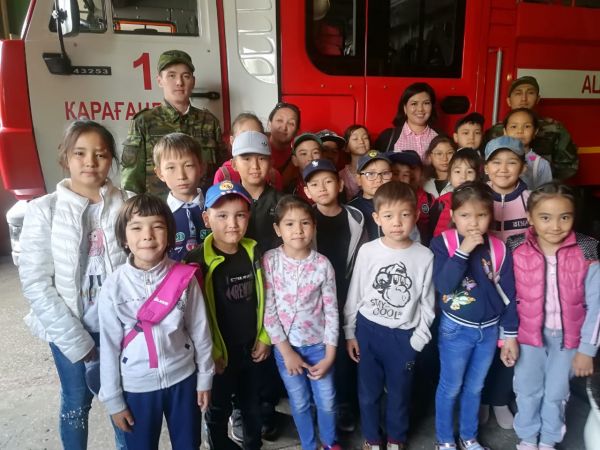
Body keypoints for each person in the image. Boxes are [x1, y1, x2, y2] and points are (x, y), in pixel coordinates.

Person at [18, 120, 129, 450]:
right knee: (76, 402)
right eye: (80, 153)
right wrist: (75, 340)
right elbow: (36, 281)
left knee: (123, 402)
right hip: (68, 326)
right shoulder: (44, 210)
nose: (90, 162)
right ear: (65, 156)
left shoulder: (128, 203)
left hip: (119, 328)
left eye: (101, 154)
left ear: (111, 160)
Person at [98, 194, 214, 450]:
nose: (147, 235)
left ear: (170, 235)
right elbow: (108, 346)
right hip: (136, 386)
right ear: (123, 237)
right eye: (136, 228)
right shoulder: (113, 286)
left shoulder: (184, 279)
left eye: (157, 226)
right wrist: (114, 400)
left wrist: (205, 377)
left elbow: (200, 331)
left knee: (189, 445)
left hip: (183, 379)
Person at [344, 181, 436, 450]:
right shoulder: (368, 251)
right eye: (389, 215)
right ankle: (372, 439)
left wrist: (418, 339)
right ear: (377, 218)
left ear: (416, 215)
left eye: (405, 214)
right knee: (368, 392)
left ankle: (396, 438)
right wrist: (350, 332)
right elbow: (355, 292)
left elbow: (428, 303)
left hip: (404, 337)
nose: (397, 222)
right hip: (368, 331)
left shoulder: (424, 256)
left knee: (400, 393)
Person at [508, 182, 599, 450]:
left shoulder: (587, 249)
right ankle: (527, 439)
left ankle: (548, 440)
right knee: (526, 390)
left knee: (556, 393)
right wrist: (507, 337)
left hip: (569, 340)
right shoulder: (516, 248)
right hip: (527, 337)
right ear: (530, 217)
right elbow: (508, 298)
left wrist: (587, 350)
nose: (556, 226)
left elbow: (597, 305)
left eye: (565, 217)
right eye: (545, 218)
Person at [430, 181, 519, 450]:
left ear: (490, 215)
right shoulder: (443, 244)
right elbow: (444, 285)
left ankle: (469, 437)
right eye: (465, 215)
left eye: (481, 215)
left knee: (475, 388)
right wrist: (463, 250)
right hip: (456, 329)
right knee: (450, 387)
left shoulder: (499, 248)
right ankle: (445, 440)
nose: (473, 222)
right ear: (453, 215)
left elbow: (509, 294)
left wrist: (510, 335)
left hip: (489, 331)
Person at [184, 181, 271, 450]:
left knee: (252, 406)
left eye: (239, 215)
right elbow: (191, 318)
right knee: (217, 409)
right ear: (206, 219)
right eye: (222, 216)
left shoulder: (255, 252)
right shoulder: (196, 261)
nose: (232, 223)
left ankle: (253, 445)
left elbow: (270, 297)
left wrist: (265, 337)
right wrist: (209, 354)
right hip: (217, 355)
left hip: (252, 348)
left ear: (248, 216)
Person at [263, 195, 342, 450]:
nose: (298, 230)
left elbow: (332, 312)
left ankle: (329, 442)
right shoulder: (270, 261)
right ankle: (309, 445)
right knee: (299, 402)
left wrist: (330, 355)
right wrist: (286, 352)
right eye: (289, 224)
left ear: (314, 227)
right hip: (286, 349)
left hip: (319, 347)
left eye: (305, 223)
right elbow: (268, 311)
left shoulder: (322, 265)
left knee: (327, 401)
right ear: (277, 229)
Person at [303, 159, 367, 432]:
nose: (322, 187)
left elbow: (363, 260)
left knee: (345, 352)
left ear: (340, 184)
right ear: (307, 191)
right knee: (318, 350)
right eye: (315, 183)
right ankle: (319, 404)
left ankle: (345, 406)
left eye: (328, 181)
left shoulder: (356, 217)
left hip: (348, 294)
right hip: (314, 300)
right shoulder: (304, 218)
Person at [121, 49, 224, 197]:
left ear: (193, 81)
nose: (179, 82)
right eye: (171, 75)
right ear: (159, 81)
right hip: (158, 209)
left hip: (203, 207)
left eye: (185, 76)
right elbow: (131, 182)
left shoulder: (209, 122)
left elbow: (221, 173)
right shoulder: (144, 122)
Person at [483, 75, 578, 180]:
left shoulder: (554, 129)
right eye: (518, 93)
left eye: (530, 93)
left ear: (538, 99)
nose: (524, 99)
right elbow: (483, 165)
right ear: (509, 101)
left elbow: (569, 166)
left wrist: (544, 177)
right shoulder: (495, 132)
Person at [153, 132, 208, 261]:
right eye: (171, 167)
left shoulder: (216, 205)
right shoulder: (157, 213)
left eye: (188, 165)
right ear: (160, 173)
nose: (181, 176)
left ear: (201, 168)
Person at [232, 130, 284, 254]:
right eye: (247, 159)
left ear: (271, 163)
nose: (255, 166)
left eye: (262, 158)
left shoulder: (283, 202)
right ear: (234, 164)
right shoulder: (226, 202)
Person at [213, 112, 283, 191]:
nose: (250, 141)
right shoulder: (223, 175)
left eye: (256, 136)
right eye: (243, 136)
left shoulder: (273, 175)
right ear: (232, 141)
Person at [484, 136, 531, 241]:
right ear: (486, 168)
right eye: (496, 162)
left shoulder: (532, 200)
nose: (503, 169)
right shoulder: (477, 197)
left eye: (511, 162)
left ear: (523, 168)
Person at [375, 82, 438, 158]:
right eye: (414, 104)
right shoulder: (387, 137)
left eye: (426, 103)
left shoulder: (440, 137)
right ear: (405, 108)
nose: (420, 109)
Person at [429, 148, 483, 238]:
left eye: (469, 172)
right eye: (457, 171)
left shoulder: (482, 201)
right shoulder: (441, 202)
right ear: (450, 176)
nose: (463, 176)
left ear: (477, 177)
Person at [348, 150, 393, 241]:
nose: (379, 179)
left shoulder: (399, 204)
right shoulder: (351, 210)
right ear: (358, 179)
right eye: (371, 174)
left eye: (385, 173)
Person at [503, 108, 552, 189]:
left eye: (527, 126)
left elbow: (546, 193)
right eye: (514, 126)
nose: (520, 131)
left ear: (535, 132)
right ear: (505, 132)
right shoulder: (494, 159)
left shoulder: (541, 164)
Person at [267, 102, 302, 189]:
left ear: (297, 131)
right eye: (279, 120)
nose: (284, 127)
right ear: (269, 124)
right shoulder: (256, 150)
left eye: (291, 123)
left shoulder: (297, 159)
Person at [339, 125, 371, 200]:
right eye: (355, 139)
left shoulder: (377, 169)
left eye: (365, 138)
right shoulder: (341, 175)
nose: (361, 142)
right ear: (346, 148)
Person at [288, 132, 323, 200]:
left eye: (315, 152)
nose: (310, 158)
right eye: (304, 154)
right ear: (295, 160)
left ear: (322, 156)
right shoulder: (291, 189)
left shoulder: (331, 183)